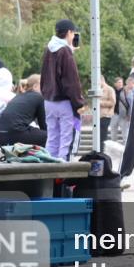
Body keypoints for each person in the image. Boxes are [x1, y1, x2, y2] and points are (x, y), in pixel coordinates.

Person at [40, 19, 84, 161]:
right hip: (64, 102)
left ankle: (49, 173)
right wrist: (79, 104)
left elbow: (44, 76)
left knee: (52, 137)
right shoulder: (65, 52)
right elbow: (71, 81)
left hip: (49, 101)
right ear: (69, 32)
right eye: (73, 33)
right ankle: (62, 176)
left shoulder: (49, 49)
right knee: (66, 141)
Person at [0, 74, 48, 147]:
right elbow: (44, 125)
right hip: (15, 133)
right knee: (50, 137)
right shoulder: (39, 97)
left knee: (34, 132)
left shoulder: (19, 96)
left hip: (0, 135)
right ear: (35, 86)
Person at [99, 75, 116, 144]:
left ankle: (102, 152)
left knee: (103, 136)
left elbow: (113, 102)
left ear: (102, 80)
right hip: (98, 116)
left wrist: (101, 103)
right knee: (98, 136)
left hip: (106, 115)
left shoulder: (109, 89)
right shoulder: (98, 89)